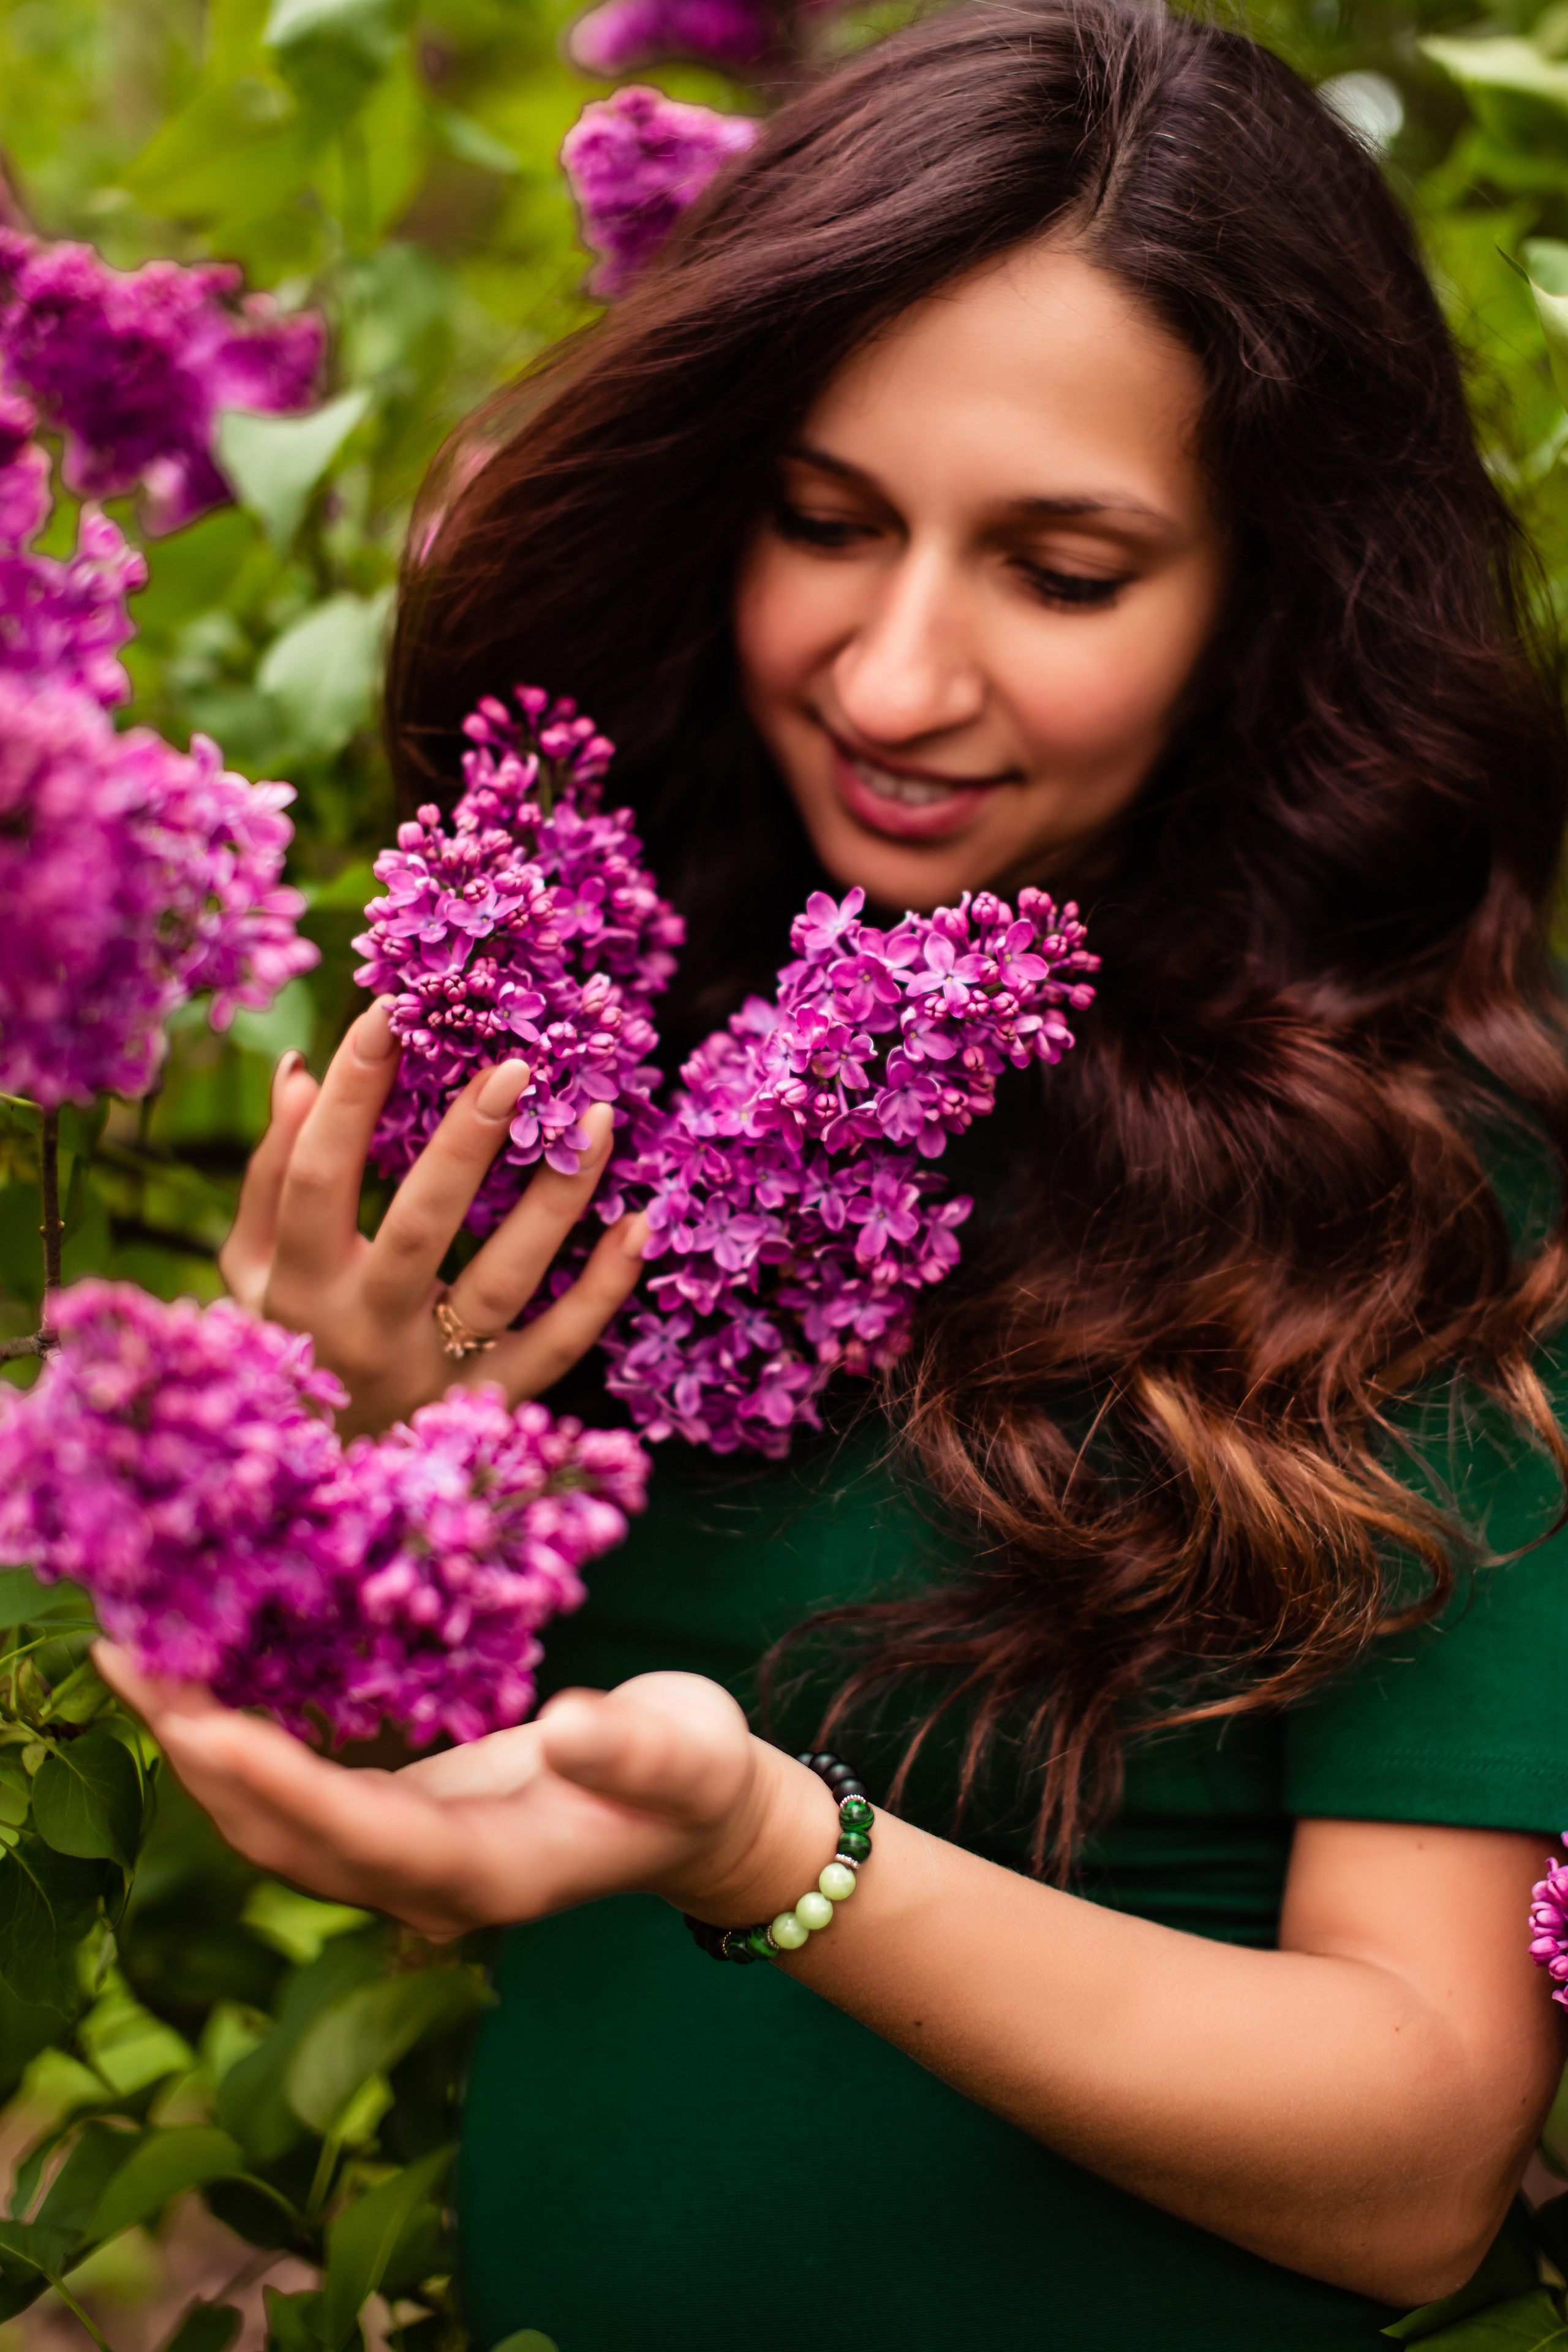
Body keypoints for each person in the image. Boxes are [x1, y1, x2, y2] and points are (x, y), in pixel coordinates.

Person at [96, 0, 1568, 2343]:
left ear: (1265, 601)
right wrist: (348, 1506)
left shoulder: (1430, 1200)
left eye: (1061, 571)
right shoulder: (594, 1066)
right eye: (826, 521)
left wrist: (775, 1844)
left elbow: (1414, 2170)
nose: (892, 680)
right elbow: (448, 1860)